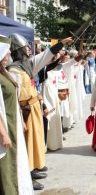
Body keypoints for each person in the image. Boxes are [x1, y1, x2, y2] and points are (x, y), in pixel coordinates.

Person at [8, 33, 74, 190]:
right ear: (19, 51)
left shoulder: (28, 65)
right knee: (27, 144)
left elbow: (46, 55)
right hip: (25, 112)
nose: (29, 51)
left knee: (36, 140)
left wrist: (61, 43)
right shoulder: (14, 70)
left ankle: (33, 168)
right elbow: (15, 98)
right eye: (26, 49)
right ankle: (27, 175)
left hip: (34, 109)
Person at [0, 35, 34, 194]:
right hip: (6, 127)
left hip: (14, 123)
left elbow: (13, 102)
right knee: (8, 165)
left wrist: (21, 120)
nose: (8, 56)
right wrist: (4, 134)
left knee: (18, 161)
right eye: (6, 53)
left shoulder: (5, 73)